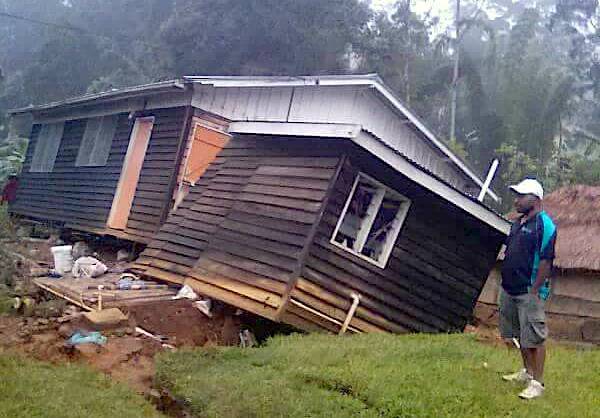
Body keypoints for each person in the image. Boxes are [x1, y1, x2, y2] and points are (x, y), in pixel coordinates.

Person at [499, 178, 556, 400]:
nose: (517, 200)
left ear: (536, 199)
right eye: (517, 196)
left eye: (522, 196)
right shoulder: (517, 223)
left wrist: (534, 290)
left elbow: (546, 261)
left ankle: (537, 382)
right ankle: (526, 371)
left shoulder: (545, 225)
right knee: (519, 335)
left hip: (529, 291)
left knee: (534, 337)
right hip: (509, 288)